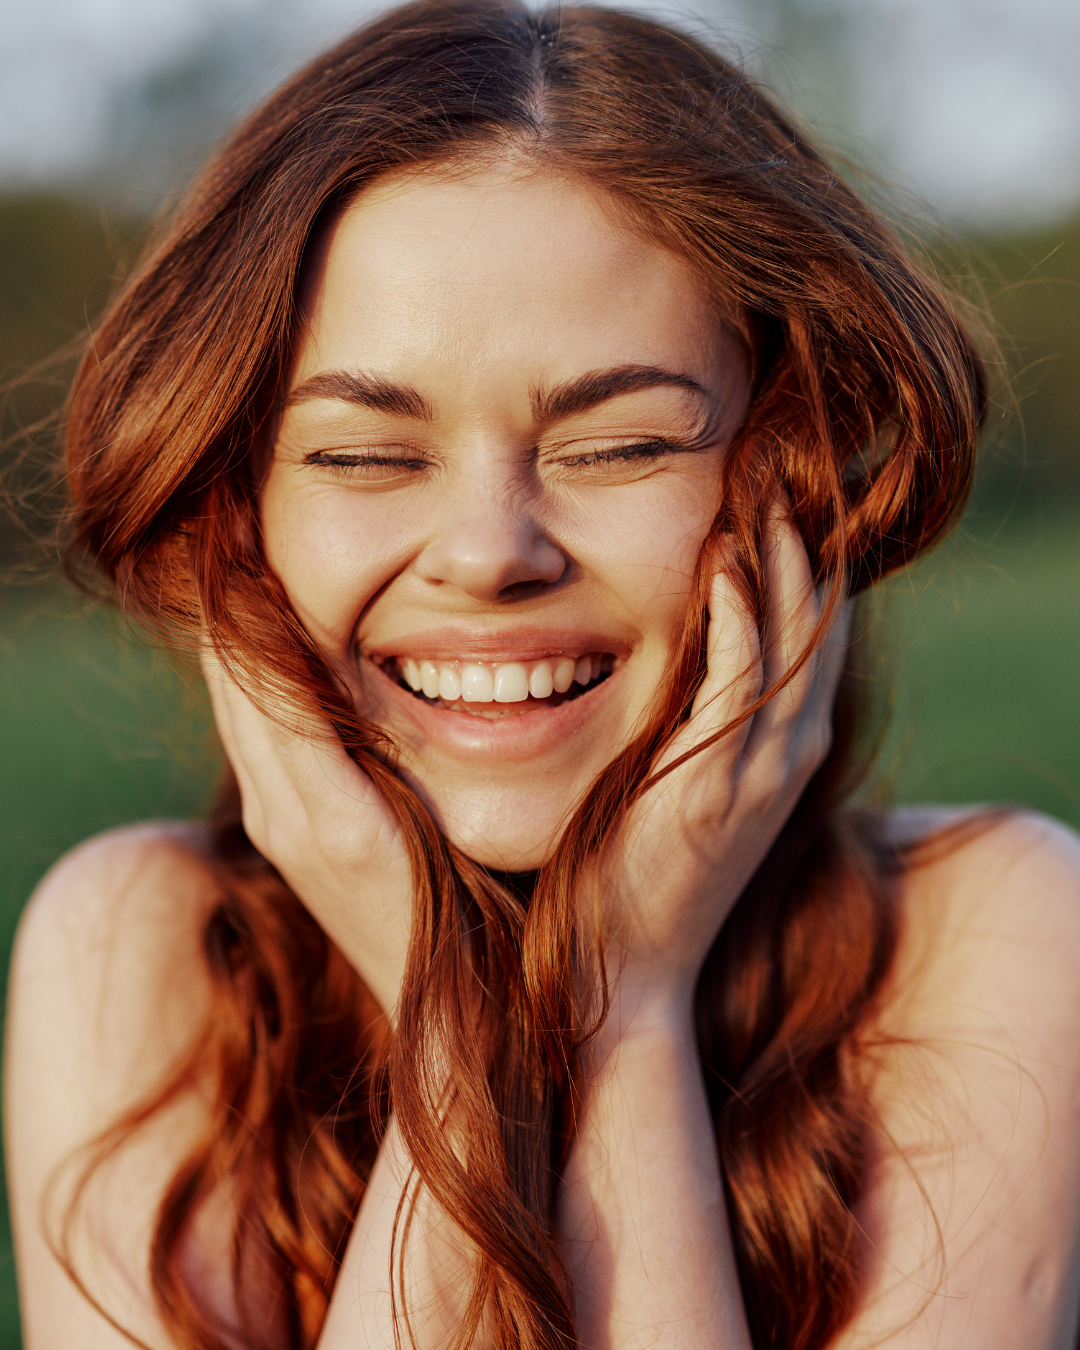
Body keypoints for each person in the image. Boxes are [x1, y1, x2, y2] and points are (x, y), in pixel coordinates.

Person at [6, 2, 1080, 1347]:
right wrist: (450, 1041)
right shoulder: (138, 951)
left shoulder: (988, 931)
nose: (489, 552)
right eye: (363, 455)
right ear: (239, 510)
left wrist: (623, 1005)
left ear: (790, 476)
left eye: (623, 444)